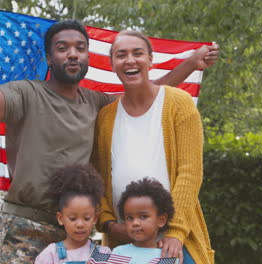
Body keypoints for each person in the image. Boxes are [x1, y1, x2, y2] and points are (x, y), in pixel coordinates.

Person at [0, 1, 218, 263]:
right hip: (25, 226)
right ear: (49, 58)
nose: (72, 54)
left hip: (77, 232)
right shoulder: (26, 93)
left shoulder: (96, 103)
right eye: (62, 48)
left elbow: (146, 89)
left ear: (88, 56)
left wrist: (190, 64)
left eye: (80, 48)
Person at [92, 30, 214, 264]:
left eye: (137, 53)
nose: (130, 60)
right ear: (112, 64)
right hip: (122, 245)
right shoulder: (105, 117)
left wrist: (175, 232)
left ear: (150, 59)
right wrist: (110, 224)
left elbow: (190, 173)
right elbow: (100, 181)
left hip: (174, 242)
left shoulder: (178, 103)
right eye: (121, 55)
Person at [35, 164, 110, 264]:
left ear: (95, 218)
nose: (80, 224)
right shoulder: (51, 254)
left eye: (87, 218)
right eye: (73, 218)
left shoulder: (102, 253)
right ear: (60, 218)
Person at [112, 177, 179, 264]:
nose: (135, 223)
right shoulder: (119, 253)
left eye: (143, 217)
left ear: (161, 220)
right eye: (130, 218)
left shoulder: (168, 256)